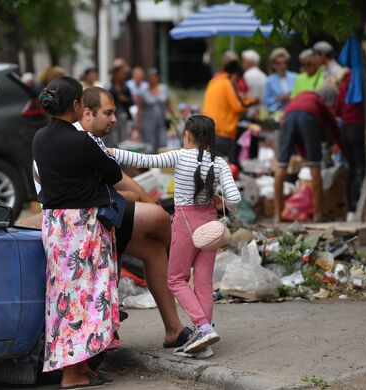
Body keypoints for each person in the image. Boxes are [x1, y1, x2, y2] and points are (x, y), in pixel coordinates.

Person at [33, 86, 189, 354]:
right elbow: (117, 180)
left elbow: (117, 177)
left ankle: (173, 328)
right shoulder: (80, 140)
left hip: (81, 217)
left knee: (152, 249)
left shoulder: (45, 137)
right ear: (83, 110)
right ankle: (180, 270)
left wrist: (135, 197)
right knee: (158, 219)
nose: (114, 119)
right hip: (88, 220)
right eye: (108, 112)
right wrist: (136, 199)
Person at [108, 115, 241, 358]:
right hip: (210, 225)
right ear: (210, 138)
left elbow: (144, 159)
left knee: (176, 280)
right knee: (203, 283)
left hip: (185, 224)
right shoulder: (219, 163)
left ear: (188, 135)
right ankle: (204, 340)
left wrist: (111, 151)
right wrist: (222, 204)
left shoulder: (179, 155)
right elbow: (235, 199)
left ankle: (201, 327)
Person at [32, 76, 120, 389]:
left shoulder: (39, 138)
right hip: (83, 225)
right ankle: (73, 373)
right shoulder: (80, 141)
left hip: (54, 224)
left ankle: (78, 369)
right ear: (76, 105)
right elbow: (114, 173)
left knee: (63, 298)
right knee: (89, 296)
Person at [274, 91, 341, 223]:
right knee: (315, 166)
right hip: (309, 119)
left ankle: (277, 215)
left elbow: (289, 126)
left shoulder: (294, 100)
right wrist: (340, 143)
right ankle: (318, 214)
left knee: (281, 166)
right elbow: (332, 123)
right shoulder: (318, 100)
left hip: (287, 120)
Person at [202, 60, 257, 161]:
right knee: (222, 167)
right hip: (223, 131)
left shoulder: (213, 81)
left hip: (209, 129)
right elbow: (238, 106)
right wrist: (253, 101)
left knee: (211, 165)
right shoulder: (227, 83)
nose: (236, 83)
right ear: (235, 74)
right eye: (237, 79)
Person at [335, 70, 365, 221]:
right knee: (360, 168)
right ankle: (357, 207)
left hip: (346, 129)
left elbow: (338, 109)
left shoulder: (344, 83)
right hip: (358, 128)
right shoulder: (364, 79)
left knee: (352, 169)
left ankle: (351, 211)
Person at [135, 68, 176, 153]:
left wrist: (174, 118)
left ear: (158, 77)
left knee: (163, 143)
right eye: (150, 77)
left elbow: (169, 104)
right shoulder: (143, 91)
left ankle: (161, 165)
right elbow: (140, 109)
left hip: (161, 123)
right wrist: (138, 124)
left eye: (154, 76)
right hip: (148, 124)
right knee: (150, 146)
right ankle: (151, 165)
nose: (152, 79)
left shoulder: (164, 89)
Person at [263, 47, 298, 114]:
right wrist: (279, 98)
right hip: (278, 113)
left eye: (284, 63)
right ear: (273, 65)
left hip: (294, 111)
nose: (282, 66)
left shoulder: (295, 77)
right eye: (278, 63)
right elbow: (266, 101)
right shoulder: (269, 81)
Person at [108, 62, 134, 146]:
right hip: (113, 116)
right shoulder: (109, 87)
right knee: (113, 138)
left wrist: (125, 99)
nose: (123, 75)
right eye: (121, 73)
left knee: (124, 139)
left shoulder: (126, 87)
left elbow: (131, 102)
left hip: (124, 116)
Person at [241, 49, 267, 117]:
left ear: (249, 62)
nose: (242, 63)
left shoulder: (246, 76)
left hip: (249, 112)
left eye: (244, 61)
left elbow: (243, 95)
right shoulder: (263, 75)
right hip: (263, 111)